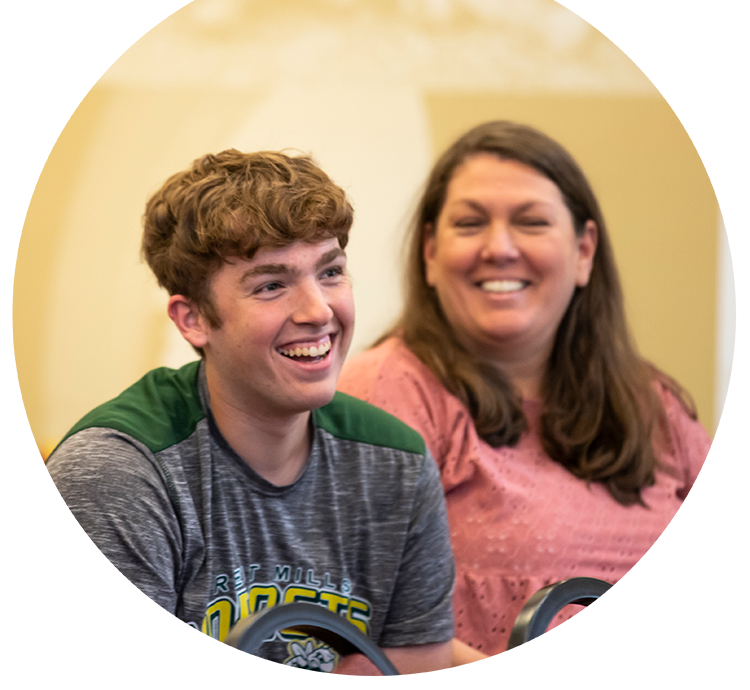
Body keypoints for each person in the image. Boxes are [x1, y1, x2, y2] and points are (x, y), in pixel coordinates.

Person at [12, 149, 456, 677]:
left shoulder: (398, 465)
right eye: (271, 285)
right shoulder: (114, 472)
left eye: (331, 271)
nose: (318, 311)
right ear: (193, 319)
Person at [338, 120, 737, 672]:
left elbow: (733, 568)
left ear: (584, 250)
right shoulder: (387, 390)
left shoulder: (652, 402)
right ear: (430, 251)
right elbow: (360, 614)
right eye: (470, 223)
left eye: (531, 222)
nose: (499, 248)